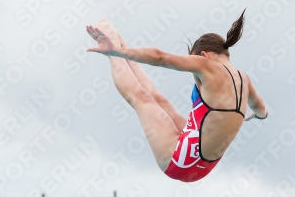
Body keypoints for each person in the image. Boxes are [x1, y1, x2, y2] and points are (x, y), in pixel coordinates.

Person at [86, 10, 267, 182]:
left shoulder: (206, 65)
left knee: (141, 98)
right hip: (201, 166)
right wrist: (258, 115)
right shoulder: (245, 80)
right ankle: (119, 42)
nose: (198, 80)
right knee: (159, 100)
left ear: (204, 55)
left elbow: (160, 57)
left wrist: (115, 52)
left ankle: (114, 51)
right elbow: (260, 108)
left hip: (180, 162)